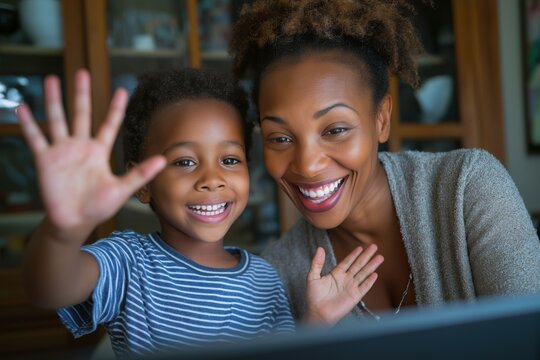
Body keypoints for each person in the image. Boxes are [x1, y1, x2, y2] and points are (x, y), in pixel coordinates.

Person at [17, 67, 383, 358]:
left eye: (229, 159)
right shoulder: (128, 261)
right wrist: (63, 231)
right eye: (185, 161)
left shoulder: (265, 279)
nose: (212, 179)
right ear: (143, 183)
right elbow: (50, 290)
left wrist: (316, 322)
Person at [229, 0, 540, 323]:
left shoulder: (467, 189)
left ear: (381, 120)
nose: (307, 165)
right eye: (280, 138)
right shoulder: (280, 273)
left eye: (335, 129)